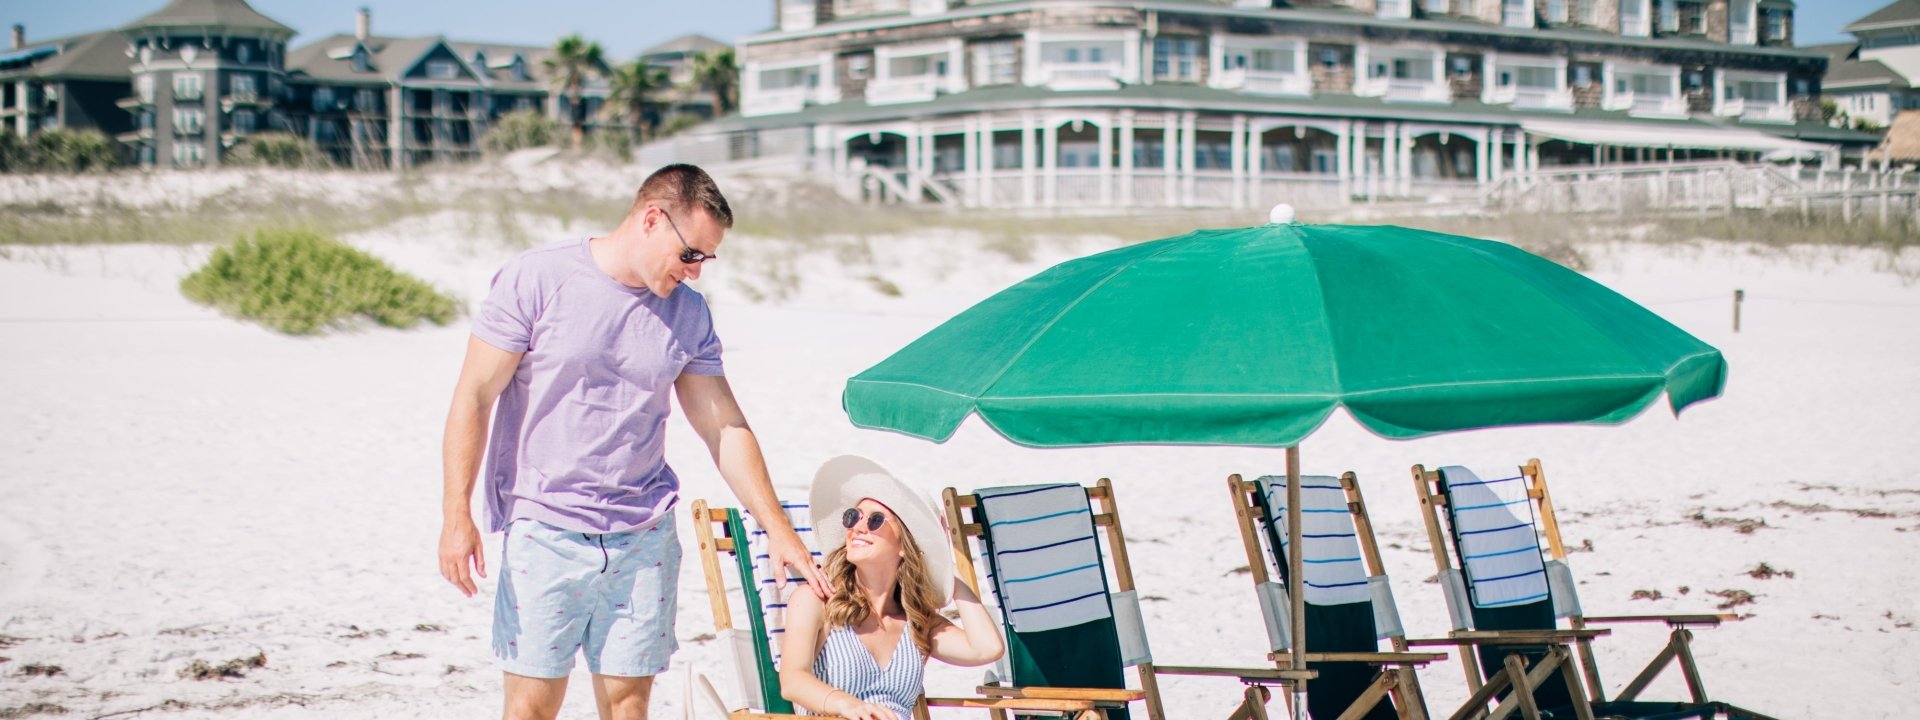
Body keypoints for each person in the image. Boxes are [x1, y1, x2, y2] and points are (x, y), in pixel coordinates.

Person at [437, 164, 827, 720]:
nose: (695, 273)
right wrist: (457, 515)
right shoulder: (537, 278)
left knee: (627, 706)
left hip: (643, 536)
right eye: (691, 254)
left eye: (706, 261)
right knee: (531, 706)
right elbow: (473, 397)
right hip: (545, 529)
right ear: (651, 219)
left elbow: (724, 426)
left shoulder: (688, 313)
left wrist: (779, 529)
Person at [779, 456, 1006, 720]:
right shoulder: (817, 600)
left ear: (903, 545)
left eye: (875, 520)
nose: (858, 528)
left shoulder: (918, 624)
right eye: (853, 517)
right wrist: (847, 705)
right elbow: (792, 680)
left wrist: (943, 563)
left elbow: (986, 648)